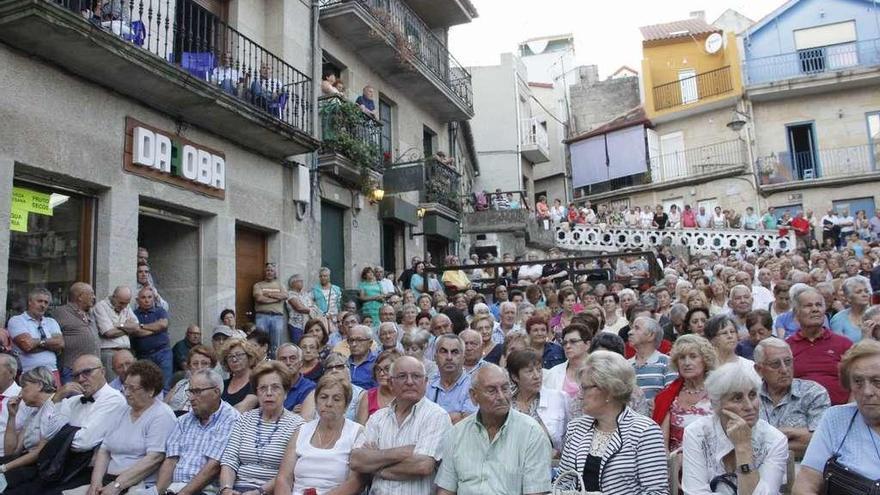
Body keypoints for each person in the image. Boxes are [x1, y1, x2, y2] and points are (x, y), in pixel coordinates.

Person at [556, 350, 668, 493]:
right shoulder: (576, 427)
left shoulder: (645, 431)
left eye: (585, 388)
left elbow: (656, 492)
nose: (580, 395)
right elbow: (563, 483)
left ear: (608, 390)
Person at [435, 364, 552, 495]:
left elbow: (536, 492)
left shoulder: (532, 433)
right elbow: (446, 490)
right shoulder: (457, 433)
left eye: (505, 388)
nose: (501, 396)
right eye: (492, 391)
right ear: (474, 396)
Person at [681, 362, 789, 494]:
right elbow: (694, 492)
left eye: (752, 395)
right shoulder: (697, 433)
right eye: (737, 398)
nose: (749, 406)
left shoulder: (775, 440)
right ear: (716, 404)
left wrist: (743, 447)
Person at [350, 356, 451, 494]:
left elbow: (422, 465)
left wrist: (375, 465)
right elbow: (356, 460)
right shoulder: (378, 418)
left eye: (416, 376)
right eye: (402, 376)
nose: (409, 382)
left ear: (425, 382)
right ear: (391, 383)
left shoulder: (437, 416)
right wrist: (401, 453)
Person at [794, 340, 880, 493]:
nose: (867, 391)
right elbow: (805, 484)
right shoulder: (836, 419)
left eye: (877, 381)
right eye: (858, 382)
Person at [86, 360, 177, 494]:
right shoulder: (121, 409)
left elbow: (154, 458)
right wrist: (95, 483)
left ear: (150, 391)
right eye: (125, 387)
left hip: (137, 484)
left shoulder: (162, 415)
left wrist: (117, 485)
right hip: (108, 480)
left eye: (132, 388)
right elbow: (104, 450)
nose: (126, 393)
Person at [219, 361, 306, 494]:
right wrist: (226, 489)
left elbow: (290, 472)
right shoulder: (244, 419)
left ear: (286, 392)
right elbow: (229, 460)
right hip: (237, 489)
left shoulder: (297, 425)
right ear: (257, 393)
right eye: (263, 388)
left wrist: (258, 492)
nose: (269, 393)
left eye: (275, 387)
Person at [155, 368, 240, 494]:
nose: (191, 398)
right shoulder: (183, 421)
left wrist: (183, 493)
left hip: (205, 490)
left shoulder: (231, 419)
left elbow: (213, 467)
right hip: (174, 488)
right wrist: (159, 492)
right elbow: (170, 461)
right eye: (190, 392)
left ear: (216, 392)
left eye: (197, 392)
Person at [276, 375, 365, 495]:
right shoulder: (301, 431)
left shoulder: (357, 433)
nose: (328, 403)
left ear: (346, 405)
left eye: (336, 399)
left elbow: (355, 482)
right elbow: (283, 478)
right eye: (323, 397)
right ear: (316, 401)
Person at [753, 338, 830, 458]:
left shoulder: (813, 392)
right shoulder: (750, 397)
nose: (784, 370)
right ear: (759, 370)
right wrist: (795, 434)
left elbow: (821, 441)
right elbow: (743, 440)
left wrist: (765, 442)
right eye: (775, 364)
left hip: (802, 468)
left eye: (788, 362)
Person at [786, 286, 853, 404]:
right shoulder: (786, 347)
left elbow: (856, 381)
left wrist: (849, 411)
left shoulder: (844, 344)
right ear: (796, 313)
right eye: (808, 305)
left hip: (839, 411)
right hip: (800, 412)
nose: (815, 309)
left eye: (819, 305)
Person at [653, 334, 718, 451]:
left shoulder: (719, 392)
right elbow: (662, 445)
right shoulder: (667, 397)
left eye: (693, 356)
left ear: (705, 360)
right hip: (677, 464)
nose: (687, 363)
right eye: (682, 358)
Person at [0, 367, 62, 488]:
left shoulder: (55, 407)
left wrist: (3, 468)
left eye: (24, 387)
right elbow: (12, 452)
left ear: (39, 385)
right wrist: (12, 417)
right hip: (26, 464)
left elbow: (39, 452)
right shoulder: (33, 411)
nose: (20, 393)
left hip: (43, 468)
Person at [506, 349, 568, 454]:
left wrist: (558, 453)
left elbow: (570, 440)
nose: (537, 376)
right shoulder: (507, 404)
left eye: (539, 369)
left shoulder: (559, 398)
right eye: (529, 371)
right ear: (515, 377)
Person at [7, 287, 64, 376]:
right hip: (29, 373)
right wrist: (50, 345)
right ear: (30, 302)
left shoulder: (51, 322)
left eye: (46, 302)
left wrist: (37, 342)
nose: (43, 305)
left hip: (52, 372)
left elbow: (60, 344)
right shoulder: (17, 320)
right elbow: (27, 345)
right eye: (39, 301)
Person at [53, 282, 99, 383]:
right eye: (91, 294)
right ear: (80, 297)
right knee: (73, 398)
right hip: (72, 369)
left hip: (93, 369)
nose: (94, 297)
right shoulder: (61, 312)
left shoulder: (90, 313)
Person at [93, 286, 140, 380]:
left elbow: (136, 327)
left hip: (126, 352)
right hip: (110, 351)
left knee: (128, 382)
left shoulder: (126, 306)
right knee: (113, 384)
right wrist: (127, 328)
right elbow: (109, 333)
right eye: (121, 303)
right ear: (114, 297)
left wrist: (119, 325)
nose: (123, 306)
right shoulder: (101, 306)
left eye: (126, 304)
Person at [427, 334, 477, 423]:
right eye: (444, 352)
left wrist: (433, 420)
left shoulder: (473, 386)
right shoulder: (427, 386)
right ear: (435, 358)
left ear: (463, 358)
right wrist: (457, 416)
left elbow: (468, 422)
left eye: (455, 352)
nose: (449, 357)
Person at [132, 286, 173, 389]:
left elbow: (163, 325)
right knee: (146, 386)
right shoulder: (133, 314)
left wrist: (141, 326)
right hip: (143, 356)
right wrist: (155, 329)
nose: (147, 300)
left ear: (154, 298)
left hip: (162, 352)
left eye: (150, 297)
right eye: (143, 297)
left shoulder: (160, 311)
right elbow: (135, 332)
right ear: (137, 300)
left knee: (165, 384)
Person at [628, 316, 678, 400]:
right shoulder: (625, 365)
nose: (630, 332)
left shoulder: (667, 363)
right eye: (631, 328)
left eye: (637, 328)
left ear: (651, 335)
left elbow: (671, 396)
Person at [544, 323, 594, 400]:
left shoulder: (599, 371)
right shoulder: (553, 373)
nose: (568, 346)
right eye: (564, 343)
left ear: (587, 344)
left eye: (573, 341)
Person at [165, 345, 216, 414]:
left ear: (212, 366)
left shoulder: (214, 388)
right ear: (189, 366)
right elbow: (164, 405)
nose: (199, 367)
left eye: (204, 363)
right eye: (195, 363)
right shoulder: (181, 384)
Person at [355, 349, 399, 424]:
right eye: (378, 369)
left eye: (387, 369)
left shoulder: (405, 395)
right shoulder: (368, 396)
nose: (381, 373)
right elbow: (361, 430)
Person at [253, 262, 286, 357]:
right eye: (268, 270)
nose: (269, 272)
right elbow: (259, 299)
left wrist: (269, 295)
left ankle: (274, 365)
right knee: (261, 341)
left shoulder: (280, 285)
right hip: (262, 316)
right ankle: (261, 363)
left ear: (275, 272)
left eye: (272, 270)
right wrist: (277, 299)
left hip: (277, 317)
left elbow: (285, 295)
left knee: (276, 344)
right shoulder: (258, 285)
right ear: (265, 272)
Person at [218, 338, 258, 411]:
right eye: (230, 356)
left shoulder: (257, 382)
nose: (234, 359)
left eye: (239, 355)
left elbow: (243, 408)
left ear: (249, 357)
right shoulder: (222, 385)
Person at [278, 343, 317, 416]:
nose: (288, 363)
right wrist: (291, 414)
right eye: (283, 359)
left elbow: (304, 421)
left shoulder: (309, 388)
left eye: (293, 358)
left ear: (301, 363)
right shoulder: (270, 386)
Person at [830, 275, 873, 343]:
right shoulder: (838, 319)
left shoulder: (876, 314)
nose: (864, 294)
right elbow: (838, 347)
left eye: (866, 291)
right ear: (848, 297)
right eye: (859, 292)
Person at [286, 274, 314, 345]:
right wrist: (312, 310)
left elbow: (312, 304)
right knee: (298, 345)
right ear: (293, 283)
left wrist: (312, 309)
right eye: (300, 281)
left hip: (307, 325)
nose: (302, 283)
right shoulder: (291, 294)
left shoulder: (304, 294)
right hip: (297, 326)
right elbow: (299, 308)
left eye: (302, 281)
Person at [347, 325, 377, 390]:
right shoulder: (343, 363)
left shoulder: (377, 364)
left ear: (370, 343)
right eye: (351, 340)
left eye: (359, 340)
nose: (354, 344)